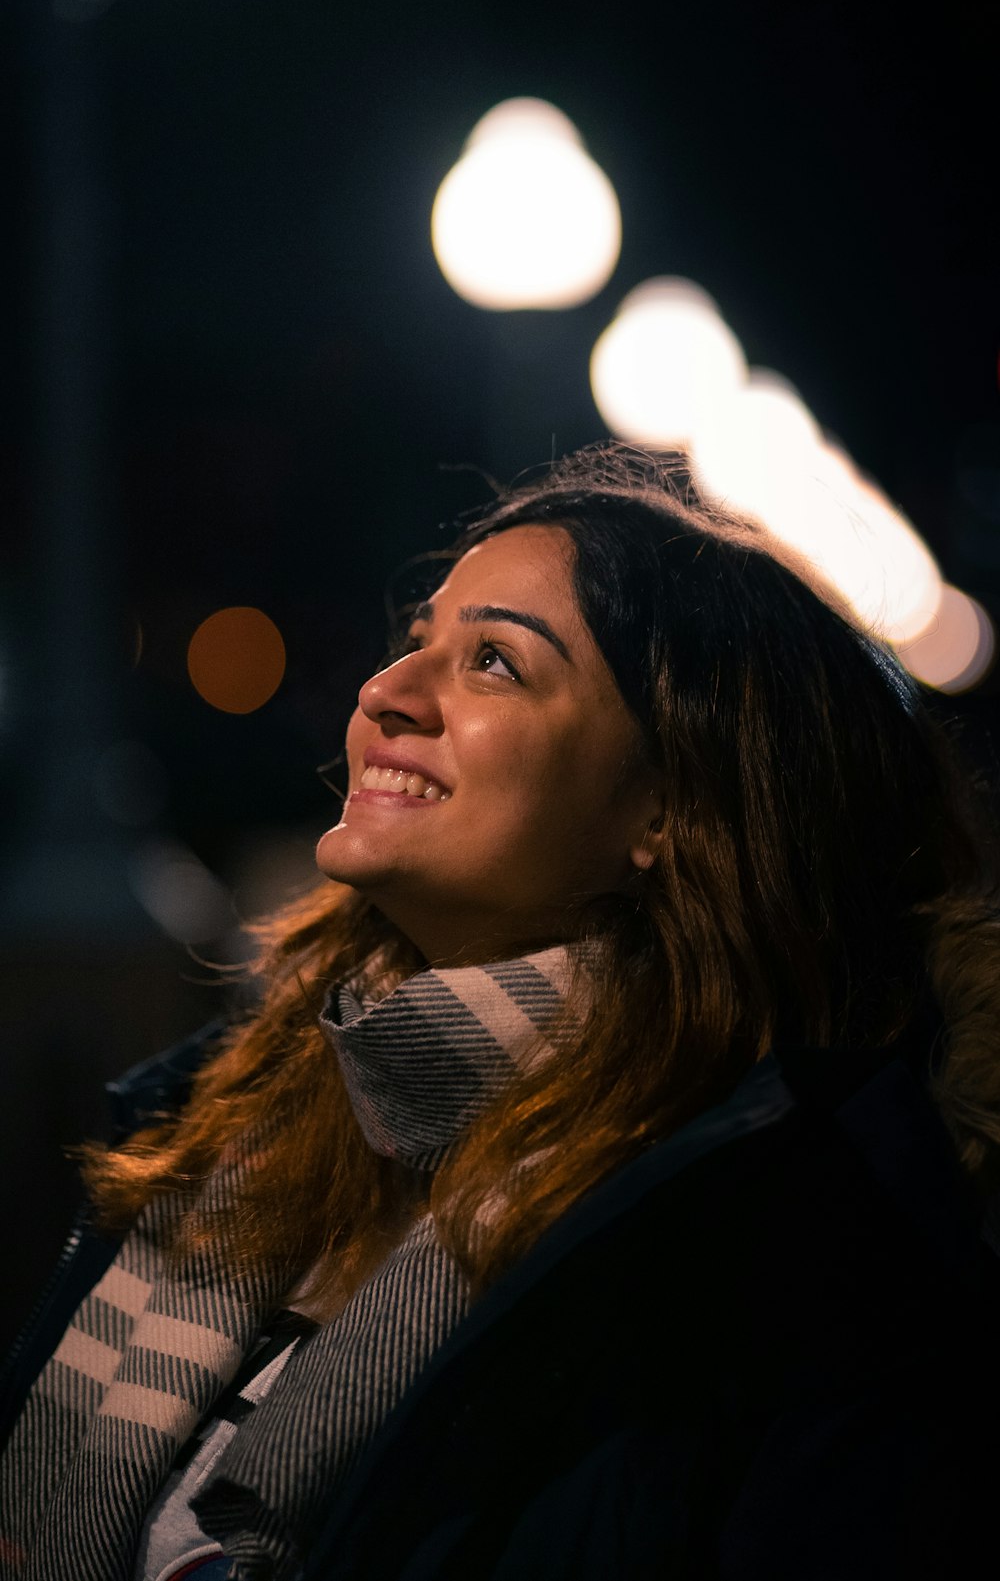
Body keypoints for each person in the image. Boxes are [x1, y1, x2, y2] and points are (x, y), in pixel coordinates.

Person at [2, 443, 999, 1581]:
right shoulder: (229, 1115)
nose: (386, 693)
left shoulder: (769, 1257)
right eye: (414, 641)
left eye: (492, 663)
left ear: (669, 802)